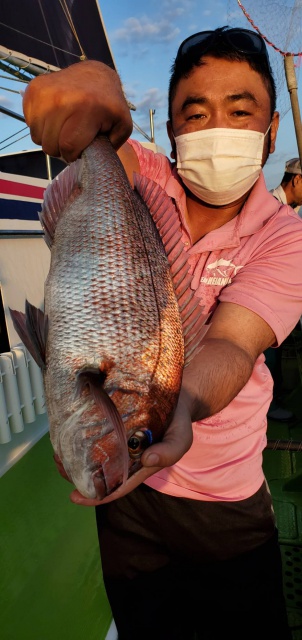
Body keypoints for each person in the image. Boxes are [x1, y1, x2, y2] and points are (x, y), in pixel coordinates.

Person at [22, 26, 302, 640]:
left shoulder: (287, 237)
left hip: (228, 501)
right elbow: (92, 127)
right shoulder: (140, 174)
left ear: (272, 129)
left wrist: (184, 411)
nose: (216, 127)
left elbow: (230, 342)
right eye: (194, 112)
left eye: (240, 109)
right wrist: (90, 92)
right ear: (171, 129)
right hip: (128, 496)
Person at [264, 158, 302, 421]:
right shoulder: (269, 209)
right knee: (266, 358)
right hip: (263, 300)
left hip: (281, 300)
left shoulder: (293, 210)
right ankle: (269, 406)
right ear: (297, 180)